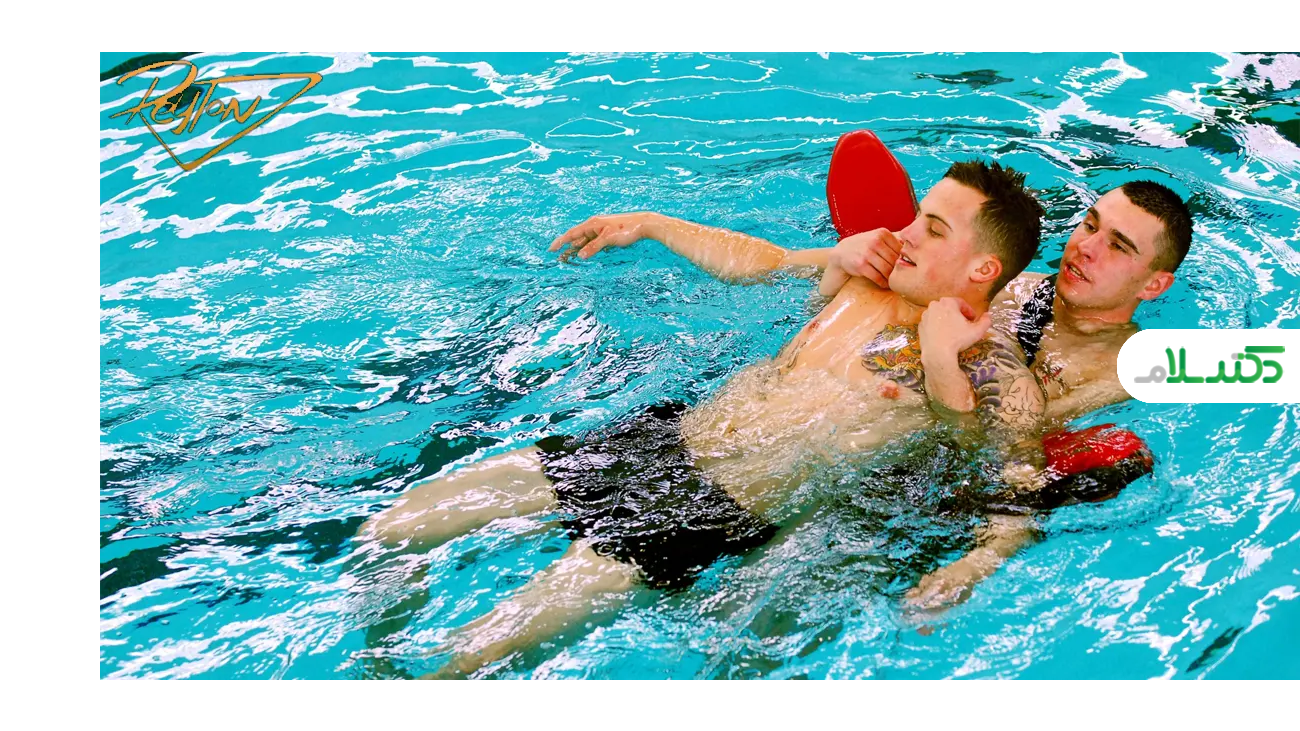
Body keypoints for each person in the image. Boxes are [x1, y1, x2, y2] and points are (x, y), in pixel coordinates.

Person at [357, 160, 1047, 677]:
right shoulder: (867, 275)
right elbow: (765, 263)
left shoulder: (990, 366)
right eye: (916, 215)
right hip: (652, 441)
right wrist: (654, 223)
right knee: (388, 532)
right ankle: (374, 670)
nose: (903, 233)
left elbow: (1015, 473)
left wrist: (977, 561)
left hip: (708, 511)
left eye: (931, 228)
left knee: (472, 656)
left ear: (982, 267)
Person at [560, 178, 1191, 610]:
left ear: (1154, 285)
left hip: (915, 496)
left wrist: (980, 561)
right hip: (809, 441)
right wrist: (656, 224)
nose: (1085, 247)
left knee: (742, 626)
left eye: (1118, 246)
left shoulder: (1129, 370)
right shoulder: (1007, 283)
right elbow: (780, 263)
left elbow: (1011, 456)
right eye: (1090, 225)